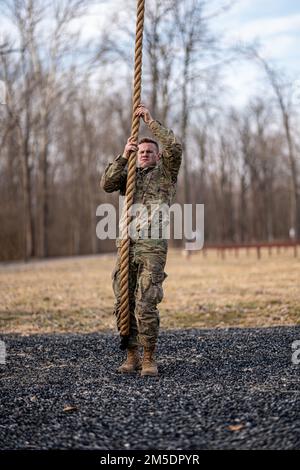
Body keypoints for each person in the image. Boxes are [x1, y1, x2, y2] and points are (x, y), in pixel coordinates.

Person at [101, 104, 182, 376]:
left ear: (157, 157)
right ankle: (131, 354)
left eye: (150, 152)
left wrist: (149, 121)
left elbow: (175, 147)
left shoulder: (166, 173)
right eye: (142, 152)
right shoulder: (129, 176)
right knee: (124, 300)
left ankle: (149, 357)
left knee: (146, 301)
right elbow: (107, 184)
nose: (145, 154)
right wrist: (124, 156)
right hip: (126, 245)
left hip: (152, 247)